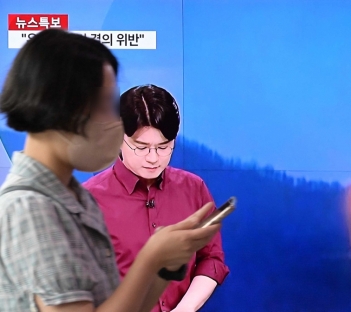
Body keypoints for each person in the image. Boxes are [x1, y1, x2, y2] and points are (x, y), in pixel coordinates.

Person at [0, 29, 221, 312]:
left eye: (164, 146)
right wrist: (151, 261)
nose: (110, 124)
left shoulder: (70, 199)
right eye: (102, 106)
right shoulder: (38, 208)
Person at [83, 84, 229, 312]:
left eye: (163, 147)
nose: (153, 158)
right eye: (141, 147)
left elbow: (211, 259)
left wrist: (185, 308)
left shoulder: (193, 188)